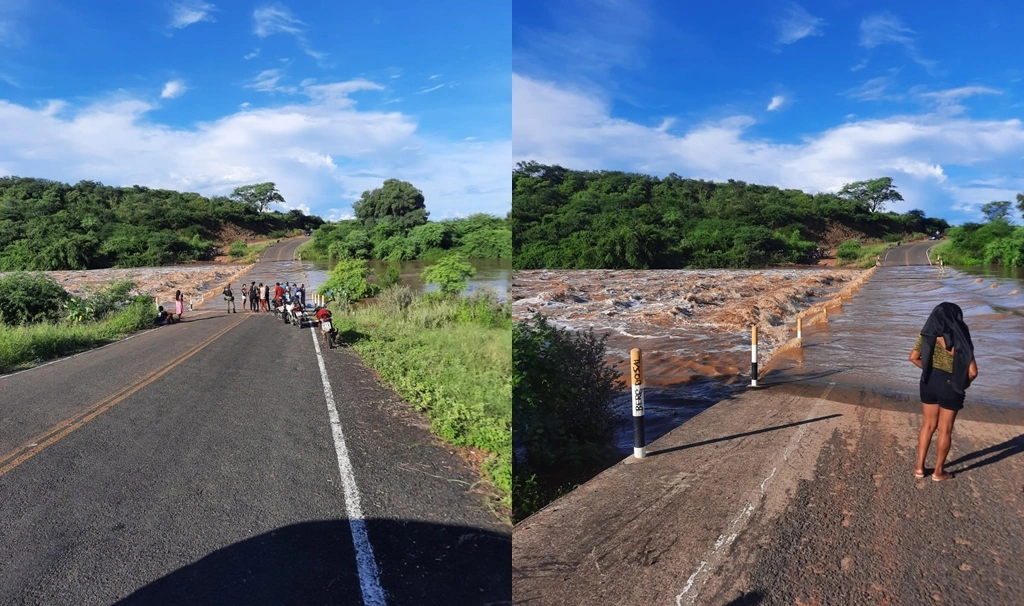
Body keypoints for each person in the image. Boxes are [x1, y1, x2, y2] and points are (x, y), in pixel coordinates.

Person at [908, 302, 979, 482]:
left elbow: (913, 358)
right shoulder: (961, 335)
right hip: (951, 384)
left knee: (927, 425)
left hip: (929, 381)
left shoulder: (926, 333)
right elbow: (972, 372)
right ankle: (938, 472)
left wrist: (930, 370)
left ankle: (919, 467)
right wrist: (962, 384)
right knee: (945, 430)